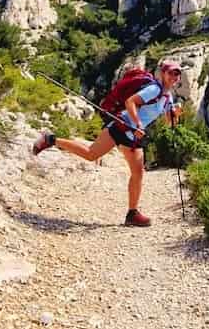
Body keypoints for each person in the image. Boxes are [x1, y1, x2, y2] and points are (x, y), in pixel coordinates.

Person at [32, 59, 183, 227]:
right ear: (163, 73)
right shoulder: (154, 89)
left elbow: (169, 122)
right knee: (91, 154)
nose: (175, 77)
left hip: (133, 135)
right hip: (121, 126)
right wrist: (138, 123)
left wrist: (175, 114)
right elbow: (130, 102)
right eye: (171, 73)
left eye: (177, 74)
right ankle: (50, 140)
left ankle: (132, 213)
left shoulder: (167, 97)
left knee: (138, 172)